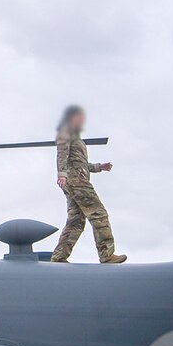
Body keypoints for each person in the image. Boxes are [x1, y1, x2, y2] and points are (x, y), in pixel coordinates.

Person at [49, 105, 126, 263]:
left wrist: (99, 167)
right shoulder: (66, 131)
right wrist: (62, 174)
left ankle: (58, 257)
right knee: (98, 214)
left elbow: (80, 163)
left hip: (74, 180)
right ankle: (106, 254)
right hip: (77, 182)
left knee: (76, 221)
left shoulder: (76, 137)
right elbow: (62, 153)